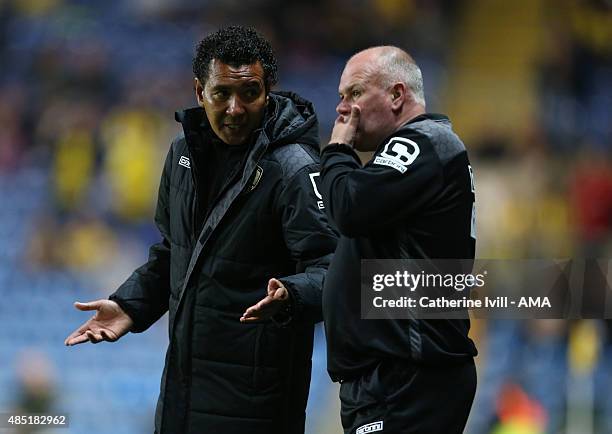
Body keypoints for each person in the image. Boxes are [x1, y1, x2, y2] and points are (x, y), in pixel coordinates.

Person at [64, 26, 337, 434]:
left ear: (268, 92)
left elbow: (333, 269)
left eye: (249, 93)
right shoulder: (181, 154)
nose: (234, 108)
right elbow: (173, 252)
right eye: (221, 93)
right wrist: (130, 305)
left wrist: (292, 294)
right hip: (183, 396)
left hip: (257, 407)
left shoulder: (294, 168)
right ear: (198, 91)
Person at [319, 46, 478, 434]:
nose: (343, 109)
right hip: (392, 377)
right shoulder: (401, 166)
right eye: (341, 96)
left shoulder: (420, 144)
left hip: (407, 376)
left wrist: (337, 151)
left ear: (396, 95)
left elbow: (348, 208)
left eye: (355, 93)